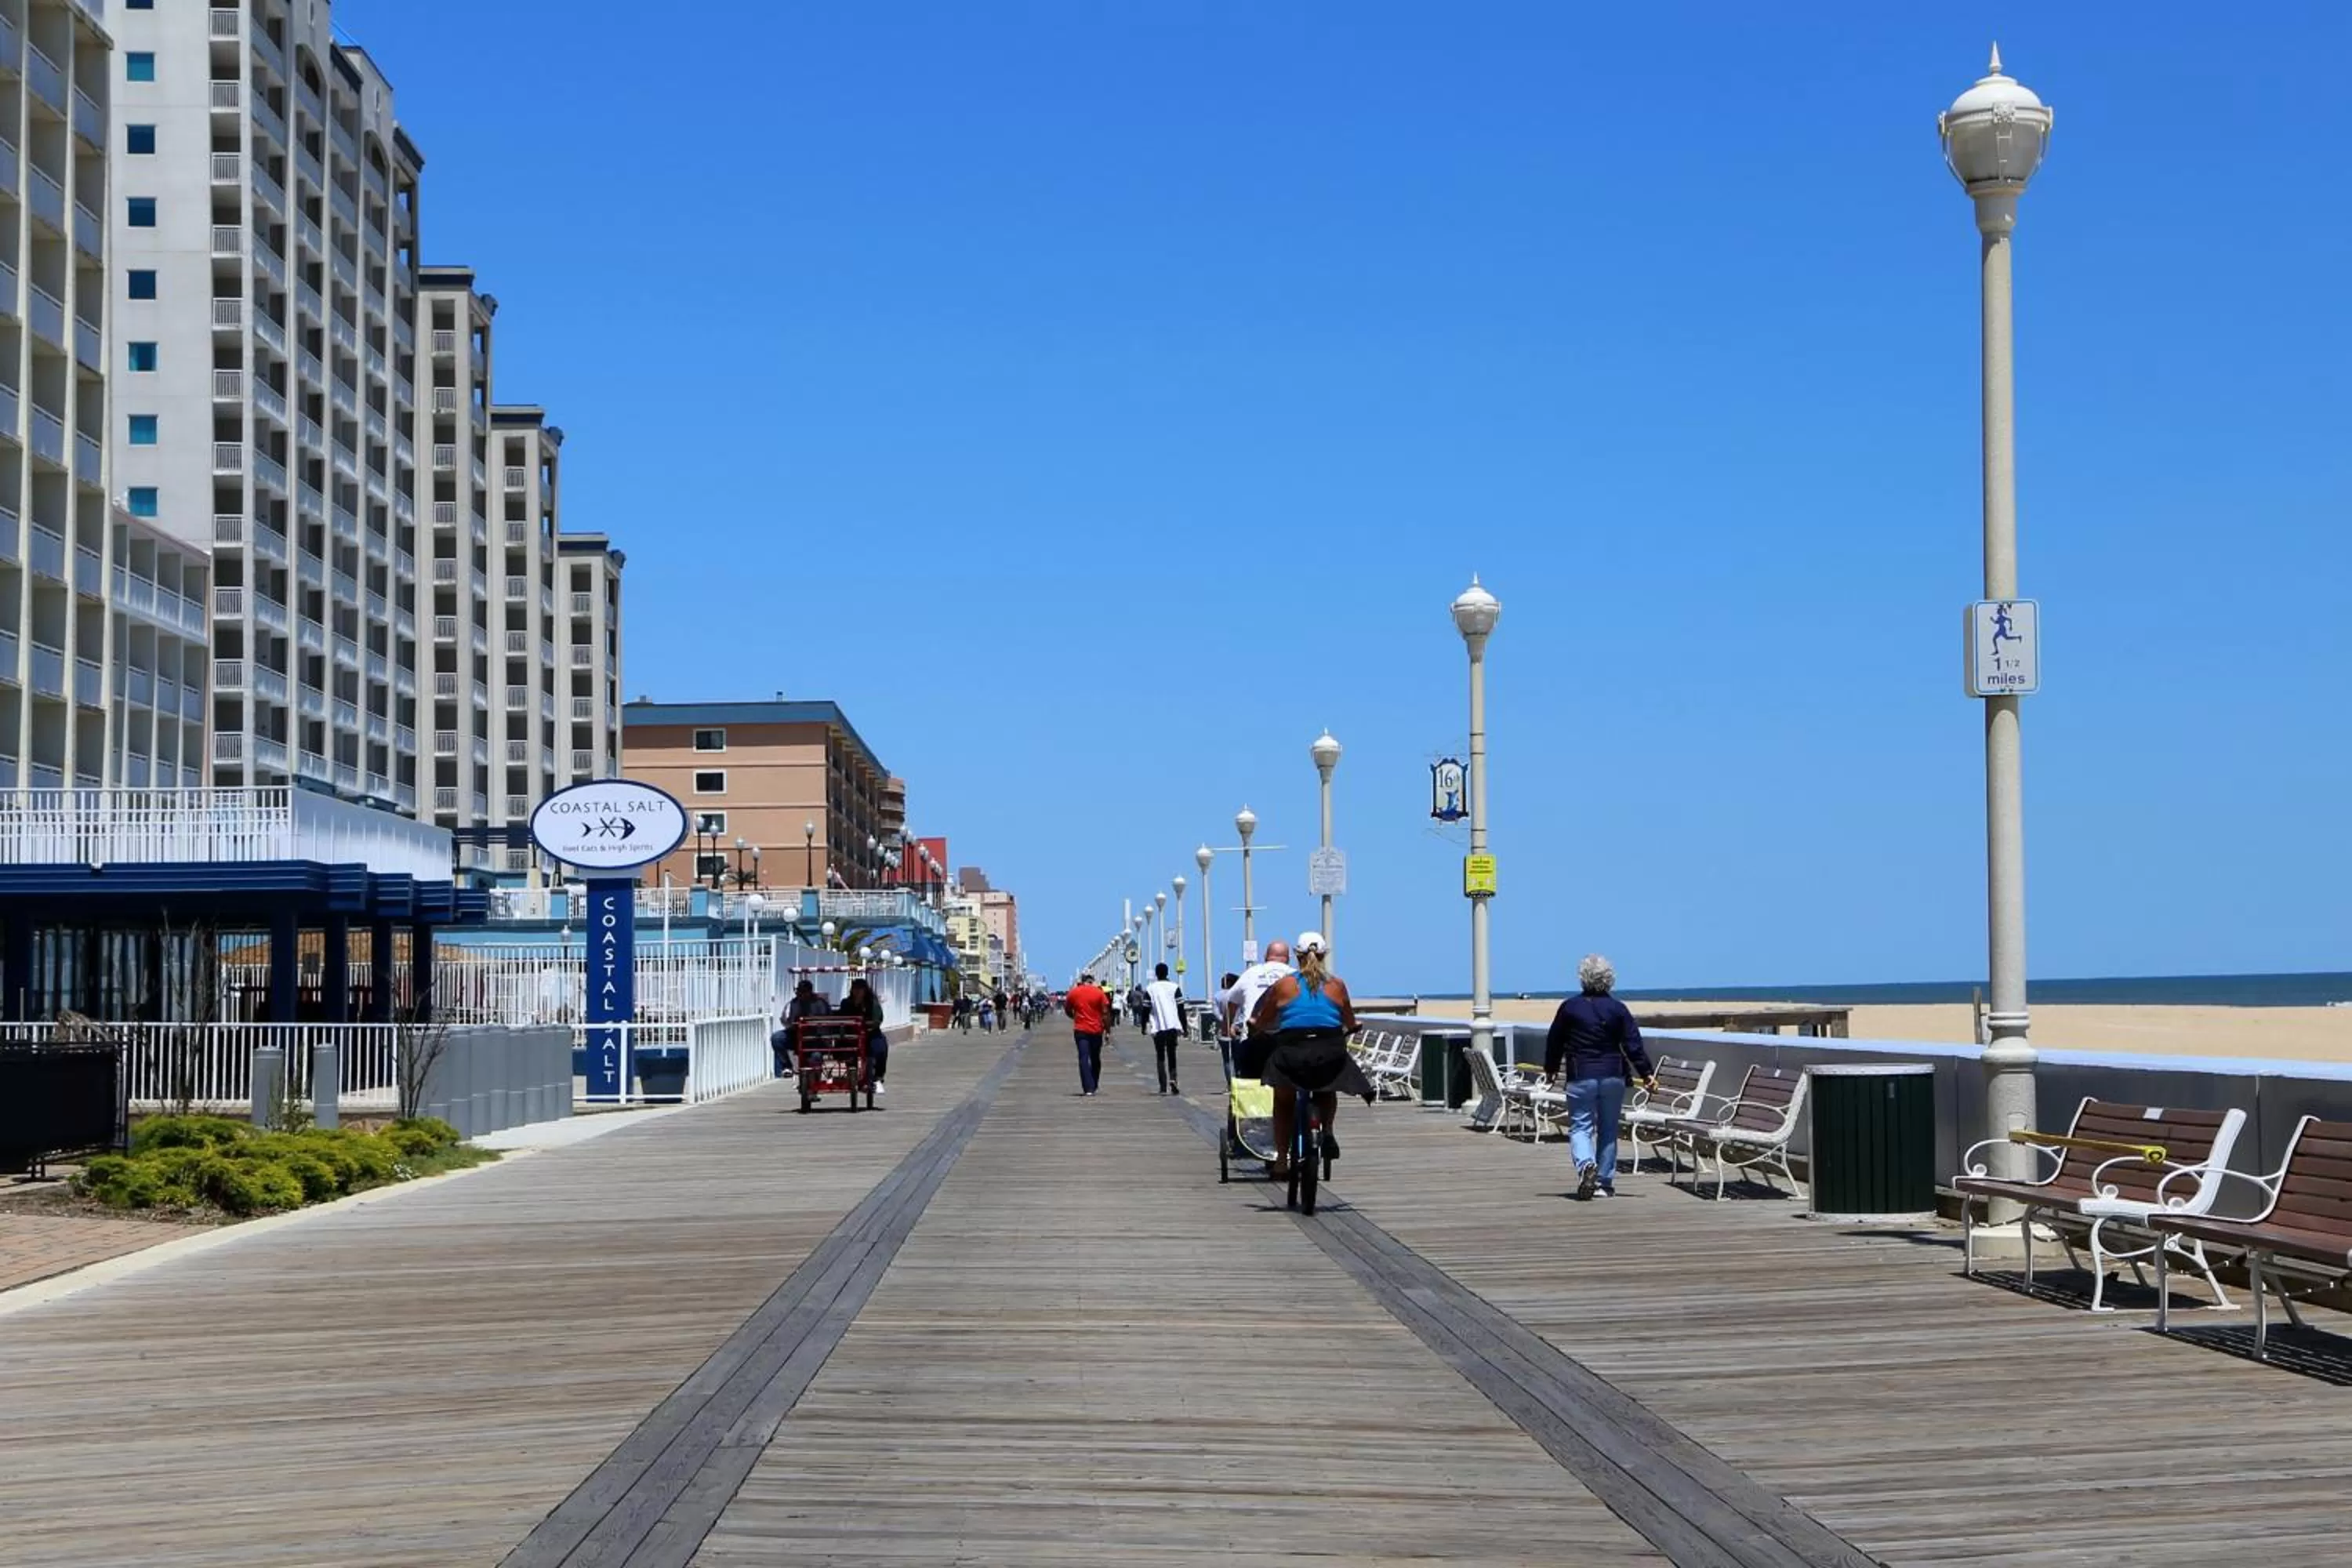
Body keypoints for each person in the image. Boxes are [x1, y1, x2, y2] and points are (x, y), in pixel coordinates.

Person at [1250, 931, 1374, 1175]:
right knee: (1327, 1087)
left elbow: (1264, 1021)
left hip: (1292, 1052)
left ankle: (1282, 1159)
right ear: (1324, 955)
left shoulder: (1284, 985)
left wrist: (1256, 1025)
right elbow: (1349, 1021)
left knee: (1283, 1101)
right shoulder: (1337, 985)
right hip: (1328, 1052)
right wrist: (1353, 1026)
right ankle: (1327, 1130)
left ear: (1297, 956)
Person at [1541, 953, 1655, 1199]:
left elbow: (1555, 1041)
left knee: (1581, 1126)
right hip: (1613, 1075)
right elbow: (1633, 1045)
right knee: (1608, 1129)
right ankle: (1604, 1183)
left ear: (1582, 979)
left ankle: (1586, 1165)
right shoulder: (1618, 1009)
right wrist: (1647, 1073)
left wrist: (1551, 1070)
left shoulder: (1570, 1007)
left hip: (1581, 1074)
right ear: (1609, 979)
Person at [1224, 940, 1295, 1080]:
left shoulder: (1252, 973)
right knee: (1287, 1087)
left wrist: (1229, 1026)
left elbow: (1231, 1001)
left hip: (1254, 1038)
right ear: (1288, 958)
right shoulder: (1295, 975)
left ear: (1266, 956)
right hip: (1287, 1039)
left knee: (1252, 1087)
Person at [1062, 971, 1112, 1096]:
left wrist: (1075, 1017)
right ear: (1092, 981)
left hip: (1081, 1030)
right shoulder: (1099, 993)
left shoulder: (1074, 992)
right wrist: (1108, 1030)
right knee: (1096, 1058)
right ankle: (1094, 1084)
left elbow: (1067, 1009)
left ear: (1082, 981)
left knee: (1083, 1057)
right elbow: (1105, 1013)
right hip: (1096, 1030)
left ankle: (1088, 1088)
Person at [840, 975, 889, 1099]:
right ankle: (852, 1074)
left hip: (870, 1034)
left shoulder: (872, 1003)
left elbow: (878, 1020)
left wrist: (868, 1025)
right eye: (855, 989)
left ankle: (877, 1077)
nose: (857, 992)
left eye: (860, 989)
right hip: (851, 1035)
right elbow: (843, 1018)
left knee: (880, 1048)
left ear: (865, 990)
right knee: (844, 1048)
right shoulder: (846, 1003)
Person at [1144, 962, 1186, 1095]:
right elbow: (1181, 1009)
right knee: (1172, 1054)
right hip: (1172, 1026)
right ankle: (1173, 1079)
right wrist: (1184, 1027)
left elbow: (1146, 1008)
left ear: (1156, 974)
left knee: (1160, 1056)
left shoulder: (1150, 989)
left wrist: (1144, 1024)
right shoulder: (1175, 987)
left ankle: (1163, 1087)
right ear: (1167, 973)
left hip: (1158, 1027)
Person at [773, 979, 829, 1078]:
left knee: (815, 1057)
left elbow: (826, 1023)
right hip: (796, 1036)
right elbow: (786, 1020)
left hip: (815, 1040)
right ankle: (786, 1068)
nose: (799, 994)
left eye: (803, 992)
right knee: (777, 1038)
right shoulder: (793, 1003)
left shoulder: (820, 1003)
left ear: (810, 992)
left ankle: (814, 1077)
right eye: (798, 991)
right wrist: (790, 1023)